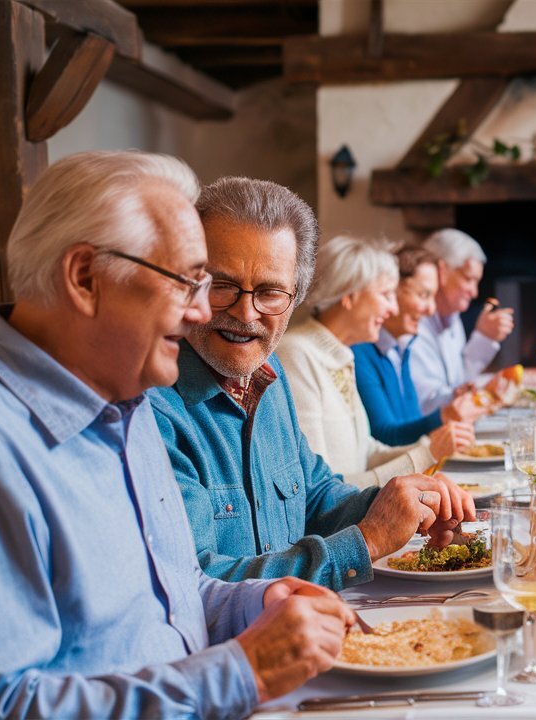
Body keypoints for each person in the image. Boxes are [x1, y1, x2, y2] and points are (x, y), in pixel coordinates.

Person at [0, 152, 355, 718]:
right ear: (84, 278)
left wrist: (255, 603)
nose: (204, 313)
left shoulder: (128, 403)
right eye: (190, 282)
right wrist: (239, 672)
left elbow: (169, 602)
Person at [149, 177, 475, 590]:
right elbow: (198, 583)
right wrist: (368, 540)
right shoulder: (156, 405)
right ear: (190, 282)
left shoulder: (270, 375)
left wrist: (399, 500)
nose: (246, 312)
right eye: (224, 285)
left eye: (269, 292)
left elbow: (316, 495)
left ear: (296, 297)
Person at [279, 237, 476, 487]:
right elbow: (320, 491)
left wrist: (431, 447)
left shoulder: (341, 355)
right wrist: (427, 453)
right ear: (349, 295)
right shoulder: (297, 355)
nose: (393, 309)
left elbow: (368, 453)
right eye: (385, 295)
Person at [353, 244, 488, 446]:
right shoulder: (361, 352)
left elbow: (411, 421)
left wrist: (452, 403)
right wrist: (444, 416)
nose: (431, 309)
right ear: (393, 290)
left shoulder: (400, 349)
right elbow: (385, 435)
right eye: (423, 295)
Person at [408, 228, 515, 415]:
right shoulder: (412, 322)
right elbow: (426, 405)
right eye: (468, 279)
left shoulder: (452, 317)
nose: (474, 293)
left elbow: (457, 383)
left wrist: (484, 337)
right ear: (442, 271)